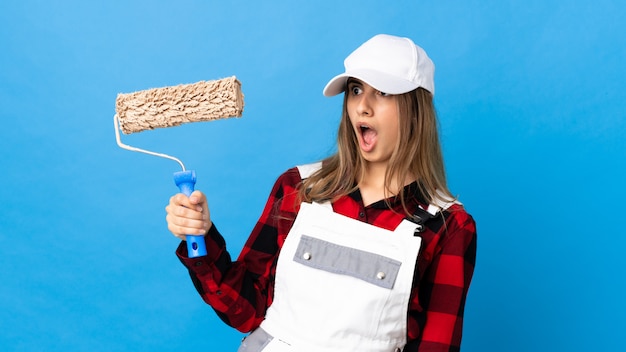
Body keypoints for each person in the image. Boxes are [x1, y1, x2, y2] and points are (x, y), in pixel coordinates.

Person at [165, 34, 477, 352]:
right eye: (356, 90)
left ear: (415, 109)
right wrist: (199, 237)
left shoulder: (448, 226)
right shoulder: (299, 189)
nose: (363, 107)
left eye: (382, 93)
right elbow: (245, 311)